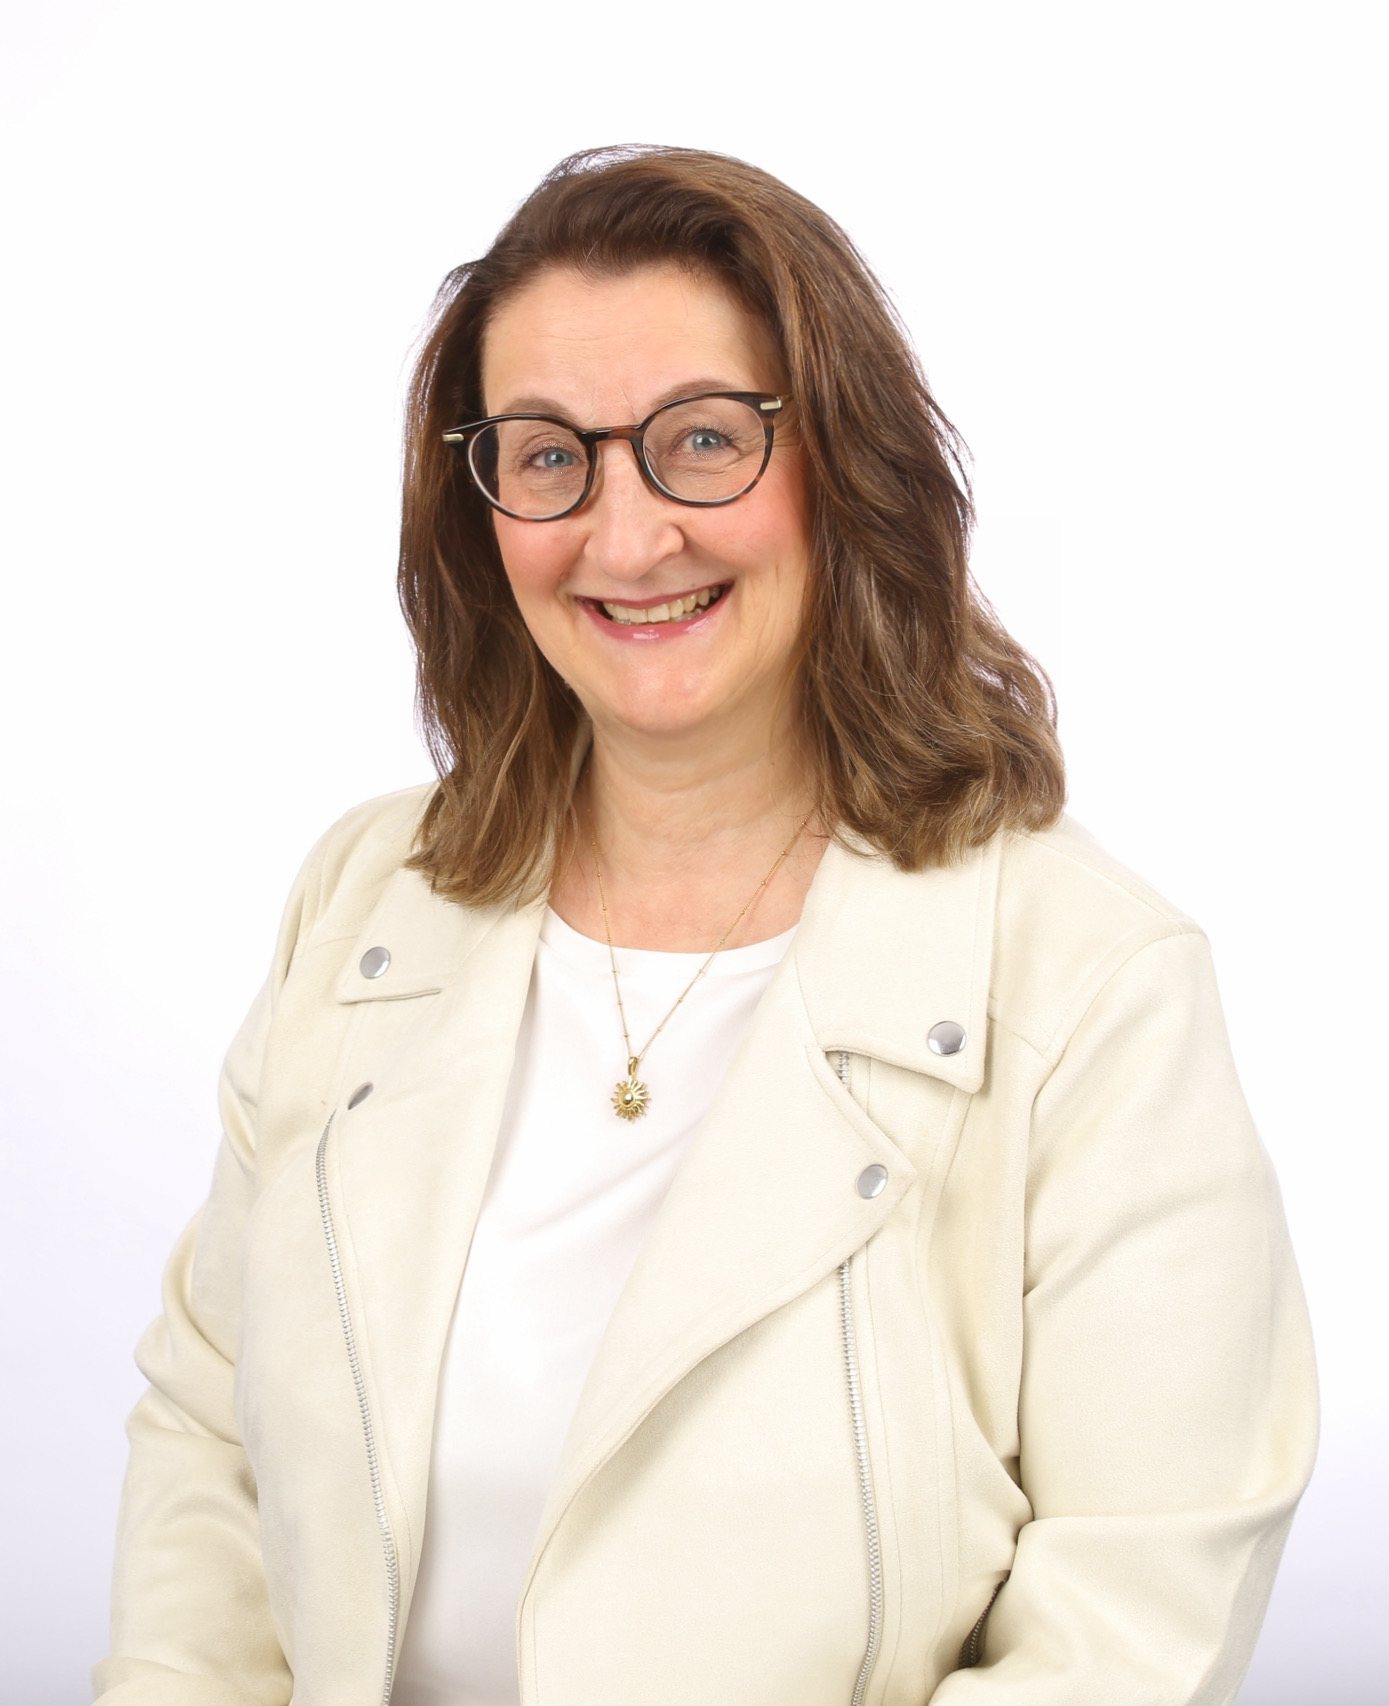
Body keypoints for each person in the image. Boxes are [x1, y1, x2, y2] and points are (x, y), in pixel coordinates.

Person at [94, 146, 1316, 1706]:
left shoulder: (1090, 982)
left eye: (701, 440)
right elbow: (210, 1442)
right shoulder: (363, 899)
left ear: (843, 462)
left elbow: (1135, 1615)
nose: (625, 537)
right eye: (548, 455)